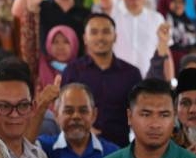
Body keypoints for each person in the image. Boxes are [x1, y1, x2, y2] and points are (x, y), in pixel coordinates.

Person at [60, 13, 151, 148]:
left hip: (120, 148)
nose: (100, 37)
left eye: (106, 32)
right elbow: (63, 111)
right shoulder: (73, 71)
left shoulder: (131, 73)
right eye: (94, 32)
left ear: (115, 37)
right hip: (81, 147)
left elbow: (140, 113)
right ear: (85, 38)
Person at [38, 83, 119, 158]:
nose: (76, 116)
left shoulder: (113, 154)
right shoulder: (43, 149)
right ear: (56, 114)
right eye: (69, 111)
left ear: (94, 115)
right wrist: (41, 107)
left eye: (83, 111)